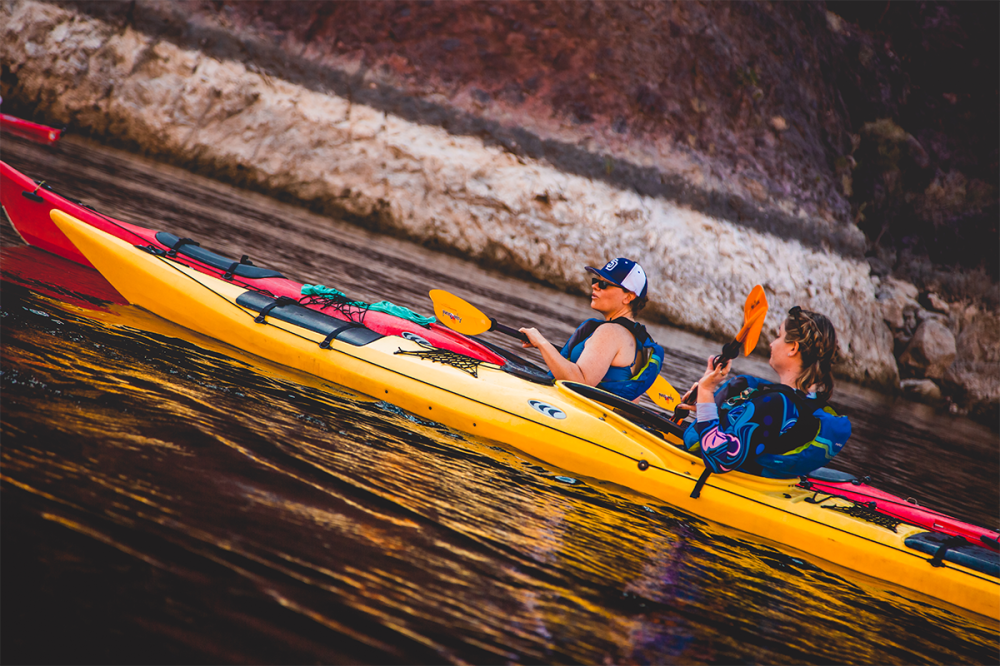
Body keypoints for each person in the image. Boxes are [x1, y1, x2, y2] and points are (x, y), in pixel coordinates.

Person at [679, 306, 851, 478]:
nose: (771, 343)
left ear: (793, 348)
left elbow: (719, 459)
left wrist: (706, 390)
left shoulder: (777, 404)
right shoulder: (806, 406)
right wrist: (704, 405)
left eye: (778, 336)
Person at [519, 258, 664, 401]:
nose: (595, 286)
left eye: (604, 284)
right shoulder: (637, 340)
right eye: (596, 281)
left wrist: (541, 343)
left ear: (628, 297)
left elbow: (579, 383)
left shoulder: (611, 332)